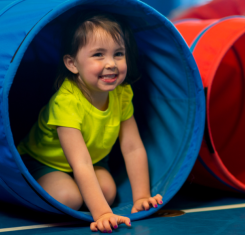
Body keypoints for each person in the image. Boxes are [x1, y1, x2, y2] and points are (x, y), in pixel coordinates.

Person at [17, 11, 163, 233]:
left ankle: (86, 192)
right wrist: (103, 214)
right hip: (45, 161)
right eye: (98, 55)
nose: (111, 64)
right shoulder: (66, 102)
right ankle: (31, 185)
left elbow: (132, 147)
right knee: (68, 198)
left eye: (118, 54)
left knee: (107, 192)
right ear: (72, 64)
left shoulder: (122, 94)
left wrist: (142, 196)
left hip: (93, 160)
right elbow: (80, 163)